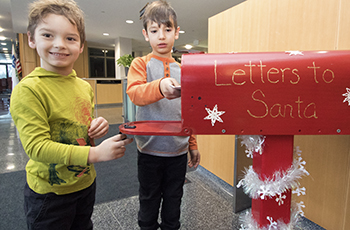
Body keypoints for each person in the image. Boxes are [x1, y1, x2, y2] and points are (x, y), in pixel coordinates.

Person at [10, 0, 133, 229]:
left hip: (85, 183)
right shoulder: (28, 90)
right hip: (50, 194)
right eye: (48, 35)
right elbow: (37, 147)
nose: (60, 45)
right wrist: (96, 153)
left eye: (70, 38)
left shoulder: (84, 86)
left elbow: (84, 131)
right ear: (31, 39)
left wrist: (98, 125)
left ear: (81, 45)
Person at [126, 1, 201, 229]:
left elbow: (189, 112)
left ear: (176, 33)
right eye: (154, 30)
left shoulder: (185, 70)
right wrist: (159, 87)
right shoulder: (141, 64)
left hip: (177, 152)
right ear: (145, 34)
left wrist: (193, 144)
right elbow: (135, 93)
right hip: (149, 150)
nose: (162, 36)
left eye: (167, 29)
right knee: (148, 199)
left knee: (174, 199)